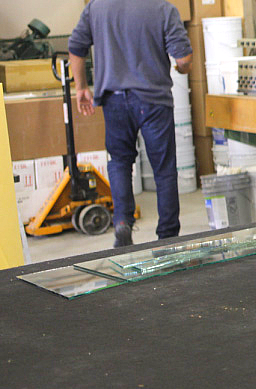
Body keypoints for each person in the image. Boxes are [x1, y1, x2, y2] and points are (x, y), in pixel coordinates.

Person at [68, 0, 193, 247]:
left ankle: (122, 223)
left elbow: (75, 47)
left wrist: (81, 87)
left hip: (113, 99)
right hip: (153, 100)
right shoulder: (162, 8)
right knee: (164, 169)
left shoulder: (96, 7)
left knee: (120, 162)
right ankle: (167, 236)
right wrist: (182, 69)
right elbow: (184, 59)